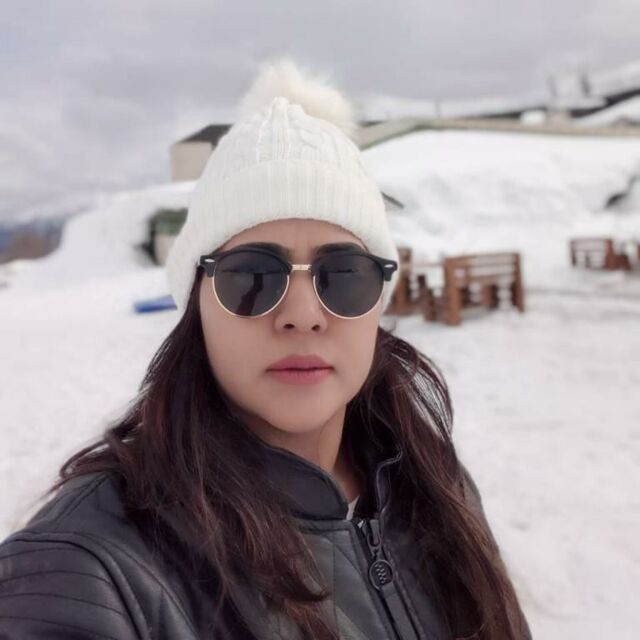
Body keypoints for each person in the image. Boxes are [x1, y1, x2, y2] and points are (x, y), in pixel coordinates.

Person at [0, 60, 531, 639]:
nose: (303, 315)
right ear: (197, 304)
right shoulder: (88, 570)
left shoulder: (434, 485)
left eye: (344, 275)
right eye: (251, 275)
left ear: (378, 300)